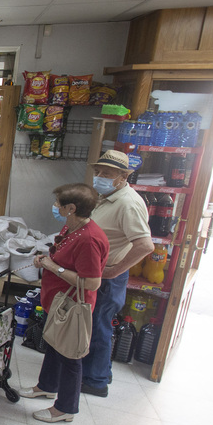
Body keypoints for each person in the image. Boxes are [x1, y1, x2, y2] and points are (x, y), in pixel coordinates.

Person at [19, 183, 109, 423]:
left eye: (59, 204)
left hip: (73, 306)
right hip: (57, 300)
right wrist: (47, 259)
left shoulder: (90, 239)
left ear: (71, 208)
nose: (55, 207)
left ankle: (65, 408)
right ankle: (47, 386)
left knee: (70, 356)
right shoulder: (73, 227)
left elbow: (91, 282)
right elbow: (63, 256)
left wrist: (53, 266)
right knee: (53, 344)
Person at [82, 150, 154, 397]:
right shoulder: (107, 196)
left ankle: (95, 381)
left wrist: (113, 271)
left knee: (98, 326)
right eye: (98, 172)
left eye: (107, 173)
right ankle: (102, 371)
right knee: (94, 325)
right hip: (98, 274)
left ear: (123, 176)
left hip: (107, 277)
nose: (100, 176)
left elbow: (145, 245)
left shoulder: (127, 203)